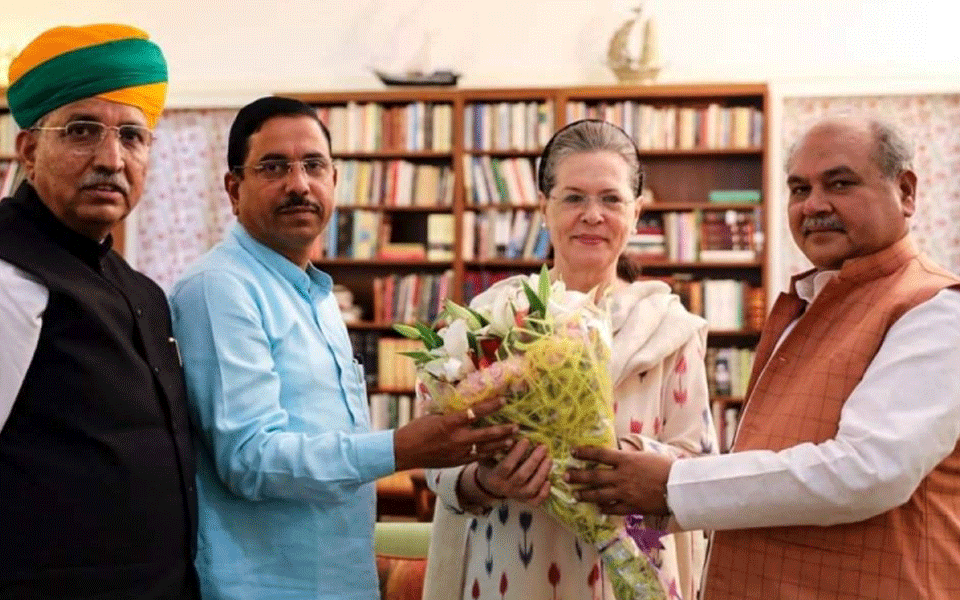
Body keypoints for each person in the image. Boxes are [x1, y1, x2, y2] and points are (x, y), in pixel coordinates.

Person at [568, 115, 960, 600]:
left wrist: (674, 483)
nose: (814, 205)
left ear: (905, 191)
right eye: (799, 189)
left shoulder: (937, 309)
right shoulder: (808, 305)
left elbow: (869, 471)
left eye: (839, 183)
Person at [168, 96, 517, 600]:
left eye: (314, 165)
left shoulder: (316, 293)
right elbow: (249, 458)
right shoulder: (220, 288)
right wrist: (401, 447)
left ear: (334, 180)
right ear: (233, 188)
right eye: (274, 167)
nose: (299, 184)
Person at [423, 119, 717, 600]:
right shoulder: (490, 318)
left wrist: (621, 459)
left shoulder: (671, 327)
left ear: (637, 212)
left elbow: (701, 467)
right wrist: (485, 480)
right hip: (511, 567)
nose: (592, 215)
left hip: (633, 568)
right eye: (574, 198)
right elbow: (436, 454)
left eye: (611, 199)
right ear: (544, 208)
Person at [0, 24, 198, 599]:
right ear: (31, 151)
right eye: (82, 131)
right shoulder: (11, 272)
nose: (111, 158)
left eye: (133, 136)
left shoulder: (140, 289)